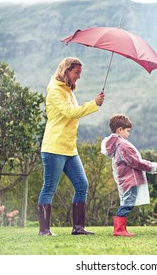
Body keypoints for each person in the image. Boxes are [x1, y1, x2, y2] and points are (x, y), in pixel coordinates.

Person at [38, 57, 105, 236]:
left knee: (82, 184)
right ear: (66, 71)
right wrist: (94, 103)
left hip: (69, 148)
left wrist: (93, 104)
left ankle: (78, 228)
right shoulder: (55, 90)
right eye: (77, 73)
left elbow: (73, 114)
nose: (79, 77)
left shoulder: (68, 90)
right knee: (50, 188)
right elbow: (70, 113)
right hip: (54, 147)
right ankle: (44, 230)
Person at [101, 114, 157, 237]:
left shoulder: (116, 145)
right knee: (127, 203)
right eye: (127, 131)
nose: (128, 134)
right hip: (130, 179)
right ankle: (119, 229)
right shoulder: (123, 145)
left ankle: (121, 229)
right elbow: (136, 162)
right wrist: (153, 167)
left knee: (127, 203)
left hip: (125, 179)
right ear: (120, 130)